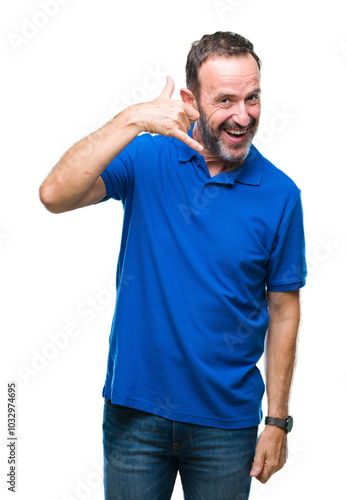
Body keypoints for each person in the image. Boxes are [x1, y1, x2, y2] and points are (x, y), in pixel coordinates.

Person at [39, 31, 307, 500]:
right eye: (225, 100)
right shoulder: (147, 157)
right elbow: (54, 195)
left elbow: (283, 309)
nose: (243, 116)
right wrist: (133, 119)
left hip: (227, 426)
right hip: (135, 416)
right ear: (190, 100)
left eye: (253, 98)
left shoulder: (281, 195)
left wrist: (278, 420)